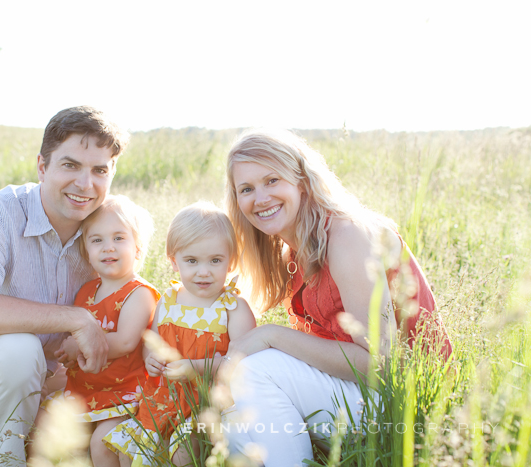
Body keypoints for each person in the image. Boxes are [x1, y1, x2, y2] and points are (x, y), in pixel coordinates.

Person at [222, 128, 453, 466]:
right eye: (247, 189)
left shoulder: (347, 236)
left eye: (272, 180)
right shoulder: (293, 253)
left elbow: (381, 364)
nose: (260, 198)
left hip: (403, 399)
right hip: (357, 393)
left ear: (301, 180)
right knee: (232, 426)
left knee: (257, 370)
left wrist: (271, 337)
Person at [0, 106, 129, 466]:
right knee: (18, 348)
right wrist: (75, 318)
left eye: (99, 170)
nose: (85, 184)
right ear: (42, 166)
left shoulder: (107, 232)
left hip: (62, 400)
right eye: (70, 165)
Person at [104, 201, 257, 467]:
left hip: (206, 404)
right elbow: (151, 341)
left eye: (215, 260)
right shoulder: (169, 300)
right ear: (174, 261)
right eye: (192, 261)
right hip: (163, 397)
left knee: (184, 453)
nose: (203, 271)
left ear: (231, 261)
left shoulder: (233, 308)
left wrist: (195, 367)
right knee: (128, 453)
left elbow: (243, 363)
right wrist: (150, 357)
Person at [40, 195, 160, 467]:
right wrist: (69, 354)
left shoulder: (138, 293)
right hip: (87, 388)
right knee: (49, 429)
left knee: (103, 443)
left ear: (138, 248)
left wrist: (78, 346)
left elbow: (126, 342)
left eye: (119, 238)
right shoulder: (86, 291)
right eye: (97, 240)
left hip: (123, 391)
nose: (108, 248)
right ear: (86, 252)